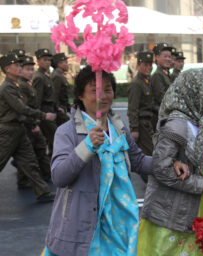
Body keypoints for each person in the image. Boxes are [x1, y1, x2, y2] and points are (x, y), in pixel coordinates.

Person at [42, 66, 152, 256]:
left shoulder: (118, 127)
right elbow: (59, 176)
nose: (103, 96)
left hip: (120, 223)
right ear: (80, 95)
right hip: (83, 226)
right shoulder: (67, 132)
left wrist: (170, 163)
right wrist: (87, 146)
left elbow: (139, 161)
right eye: (95, 90)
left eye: (108, 90)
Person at [138, 68, 203, 256]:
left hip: (187, 212)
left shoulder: (199, 121)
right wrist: (201, 184)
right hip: (169, 218)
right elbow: (161, 169)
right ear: (191, 91)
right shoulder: (177, 124)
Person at [0, 53, 56, 202]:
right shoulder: (7, 88)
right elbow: (21, 108)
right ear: (7, 69)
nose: (20, 68)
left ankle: (42, 192)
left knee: (30, 162)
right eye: (16, 65)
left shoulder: (14, 85)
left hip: (18, 130)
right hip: (8, 131)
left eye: (20, 65)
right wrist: (44, 116)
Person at [18, 55, 52, 186]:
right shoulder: (22, 86)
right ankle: (27, 179)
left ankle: (44, 174)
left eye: (32, 69)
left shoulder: (27, 84)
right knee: (30, 153)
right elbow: (25, 109)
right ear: (20, 71)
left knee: (37, 149)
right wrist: (34, 124)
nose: (31, 72)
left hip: (32, 122)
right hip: (27, 124)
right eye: (27, 69)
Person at [128, 51, 155, 156]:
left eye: (150, 65)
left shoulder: (146, 81)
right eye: (145, 65)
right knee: (148, 153)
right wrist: (134, 129)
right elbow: (132, 108)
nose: (149, 67)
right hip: (142, 125)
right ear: (139, 65)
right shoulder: (136, 83)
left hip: (148, 123)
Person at [33, 48, 58, 157]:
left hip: (50, 109)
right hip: (44, 112)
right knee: (55, 138)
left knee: (51, 140)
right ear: (38, 61)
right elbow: (37, 99)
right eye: (44, 60)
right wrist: (37, 118)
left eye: (49, 60)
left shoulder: (45, 75)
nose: (47, 62)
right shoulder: (39, 77)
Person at [151, 43, 175, 130]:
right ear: (157, 57)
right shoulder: (158, 75)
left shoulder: (166, 74)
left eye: (169, 57)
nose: (168, 59)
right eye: (165, 56)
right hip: (160, 120)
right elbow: (162, 99)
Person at [50, 53, 71, 126]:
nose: (67, 64)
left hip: (64, 107)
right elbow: (55, 94)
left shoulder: (60, 75)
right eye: (66, 62)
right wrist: (58, 108)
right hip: (60, 110)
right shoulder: (57, 76)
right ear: (59, 64)